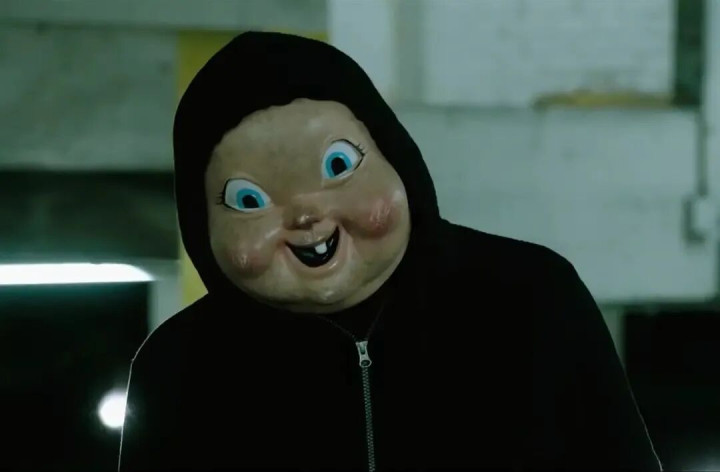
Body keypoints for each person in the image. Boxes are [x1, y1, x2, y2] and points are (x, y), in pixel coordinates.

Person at [118, 32, 662, 471]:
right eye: (249, 199)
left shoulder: (533, 296)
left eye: (337, 166)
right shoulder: (178, 370)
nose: (305, 214)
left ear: (394, 155)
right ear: (201, 223)